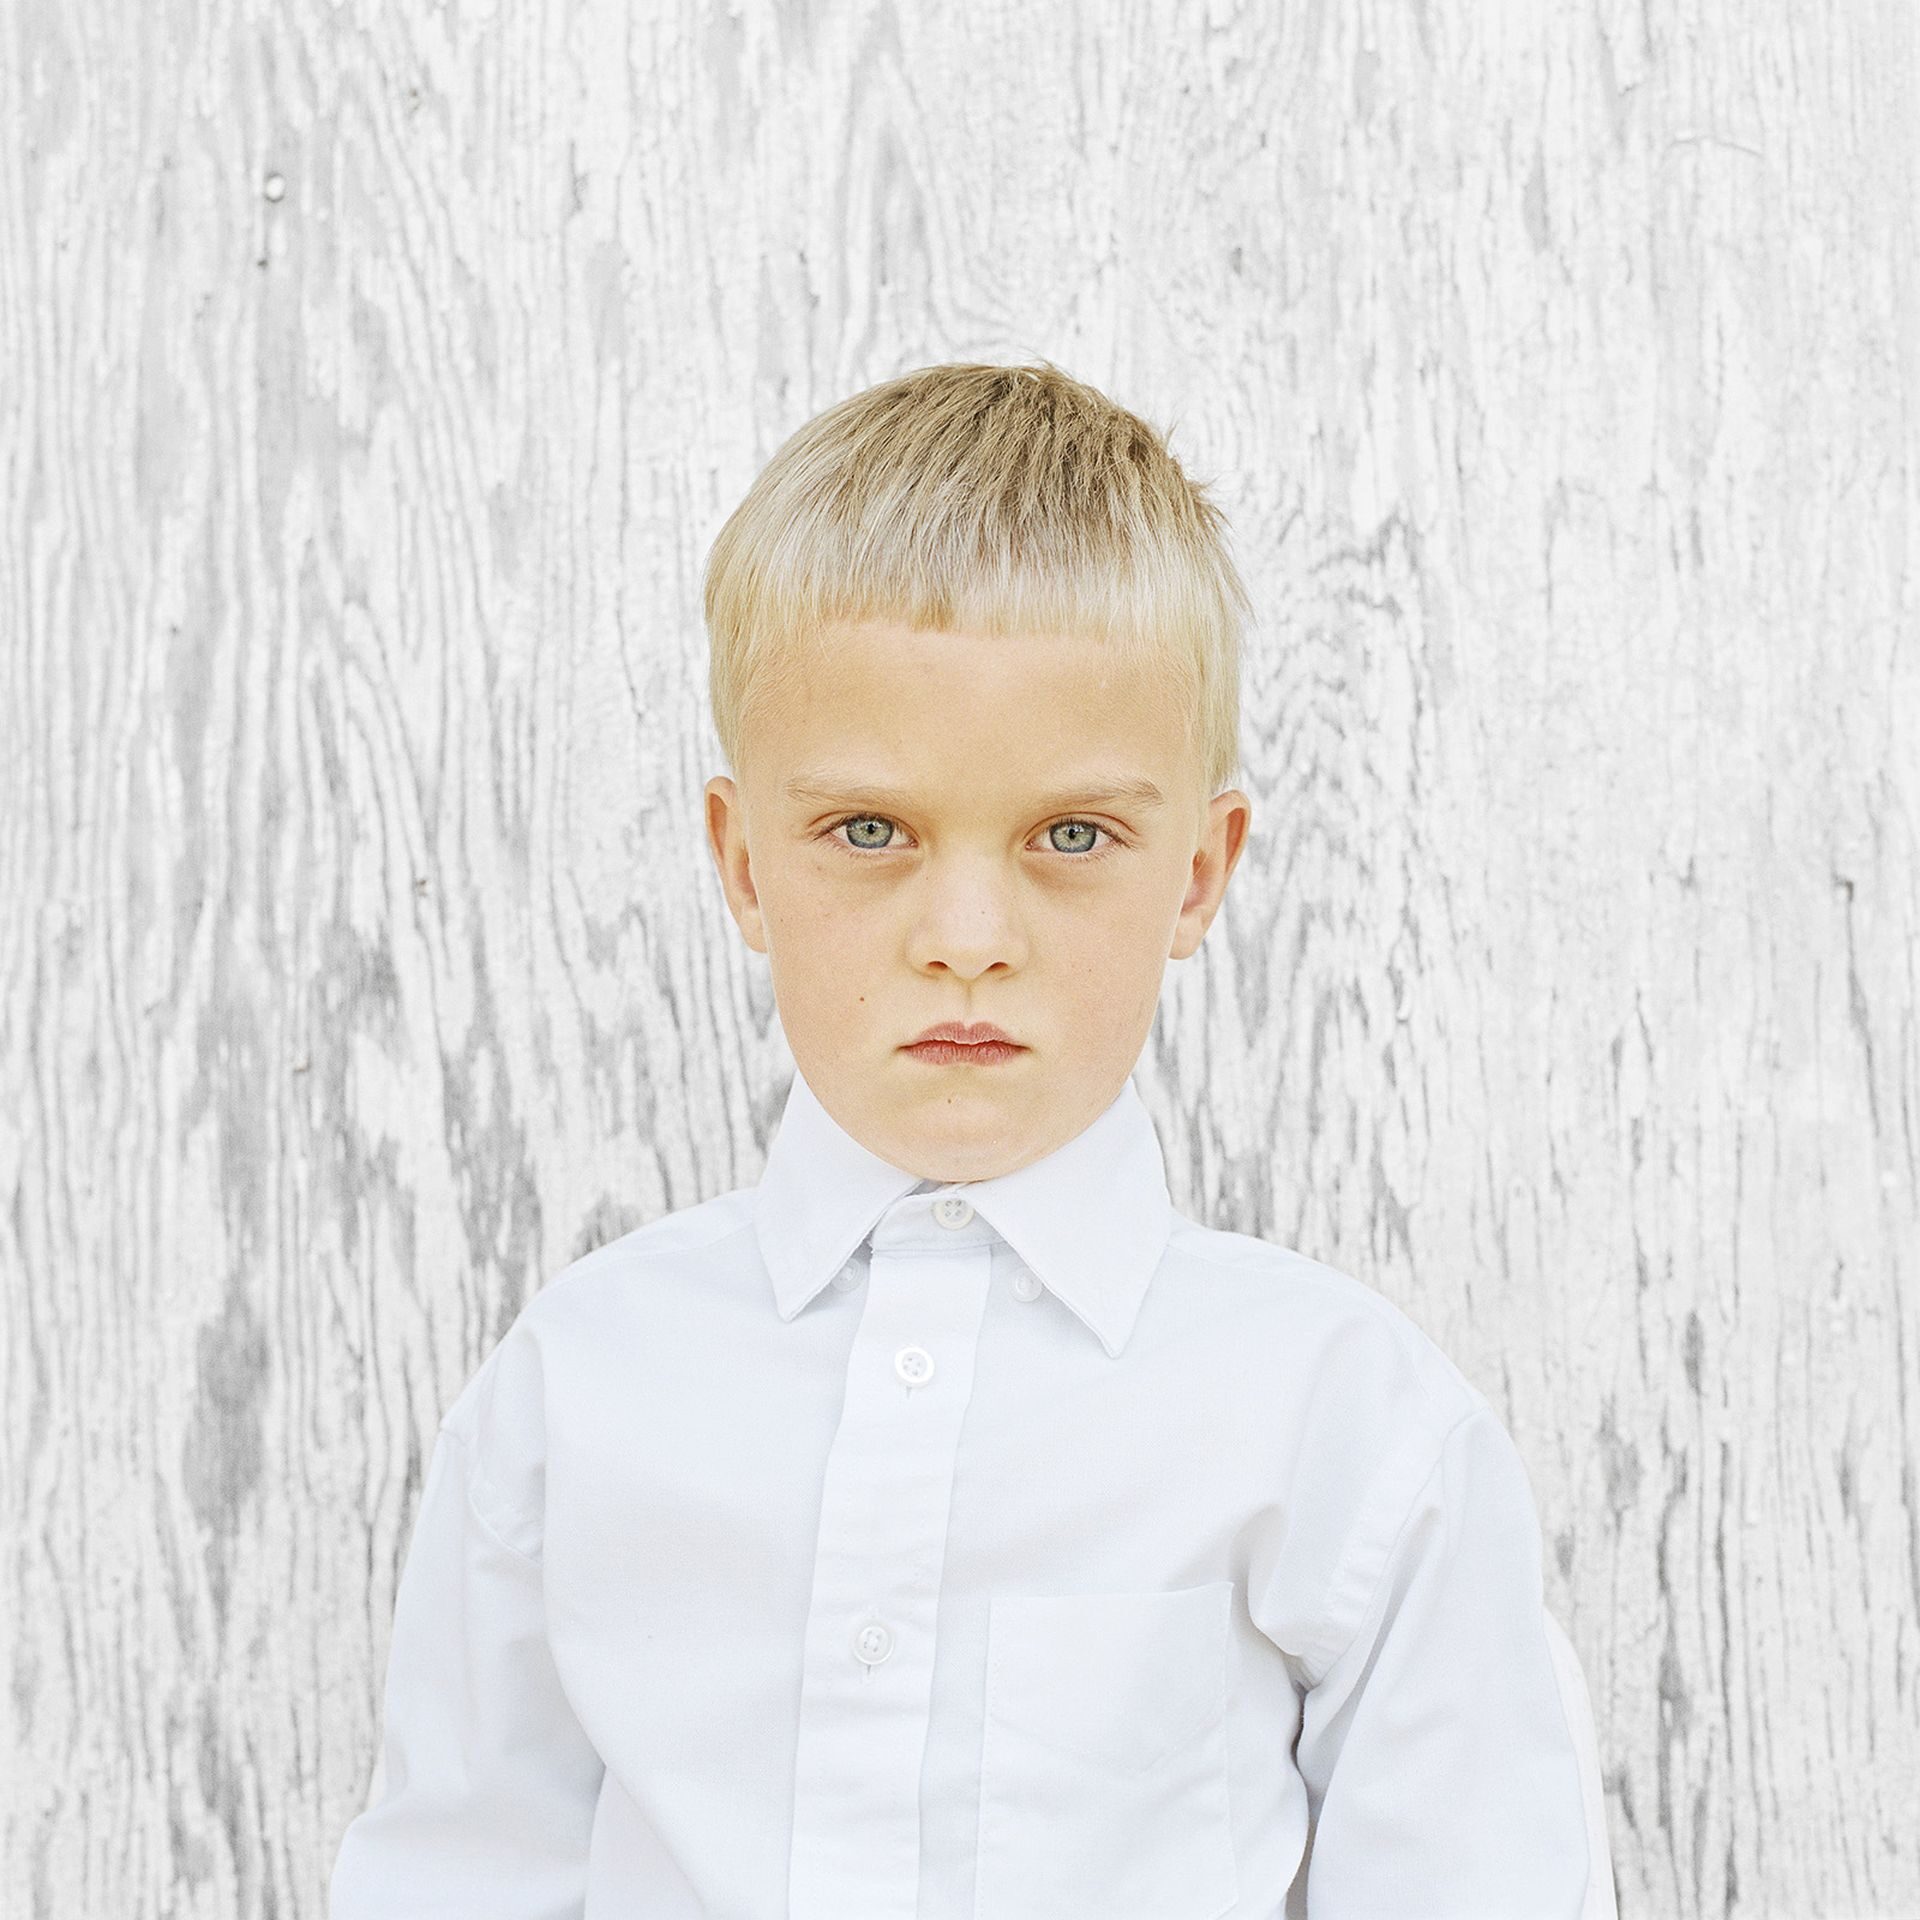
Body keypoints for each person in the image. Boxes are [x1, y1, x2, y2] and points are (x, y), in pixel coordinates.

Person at [328, 360, 1617, 1918]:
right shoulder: (577, 1392)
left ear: (1199, 874)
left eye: (1072, 837)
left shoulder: (1342, 1420)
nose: (965, 937)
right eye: (869, 832)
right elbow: (458, 1872)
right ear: (743, 863)